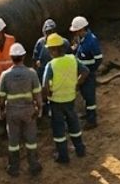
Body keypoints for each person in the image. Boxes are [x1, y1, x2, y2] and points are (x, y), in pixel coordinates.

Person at [0, 42, 42, 177]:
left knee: (13, 142)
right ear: (23, 56)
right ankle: (34, 166)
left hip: (12, 112)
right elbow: (37, 94)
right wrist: (39, 108)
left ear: (11, 57)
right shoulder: (31, 73)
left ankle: (13, 168)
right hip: (29, 111)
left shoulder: (5, 75)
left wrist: (1, 111)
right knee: (31, 140)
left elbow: (1, 97)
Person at [41, 34, 86, 163]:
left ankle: (63, 156)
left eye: (50, 49)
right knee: (74, 123)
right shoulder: (72, 59)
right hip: (70, 98)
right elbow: (85, 71)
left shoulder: (51, 65)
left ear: (55, 49)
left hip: (56, 101)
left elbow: (44, 86)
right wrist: (76, 84)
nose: (49, 52)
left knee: (58, 129)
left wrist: (46, 96)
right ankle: (80, 149)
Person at [71, 16, 102, 127]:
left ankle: (92, 120)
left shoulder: (91, 41)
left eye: (76, 31)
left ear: (82, 29)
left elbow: (98, 58)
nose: (75, 33)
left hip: (88, 73)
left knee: (89, 96)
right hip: (82, 72)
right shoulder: (81, 39)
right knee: (84, 94)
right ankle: (88, 113)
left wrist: (91, 70)